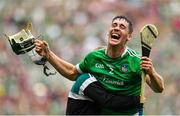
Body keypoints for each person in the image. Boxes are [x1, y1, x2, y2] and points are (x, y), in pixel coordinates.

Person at [34, 15, 164, 115]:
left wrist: (151, 72)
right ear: (109, 32)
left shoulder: (135, 61)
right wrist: (48, 54)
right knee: (82, 80)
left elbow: (159, 88)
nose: (117, 28)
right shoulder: (95, 57)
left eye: (122, 27)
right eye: (114, 25)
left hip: (128, 113)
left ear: (129, 37)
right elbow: (72, 73)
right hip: (103, 112)